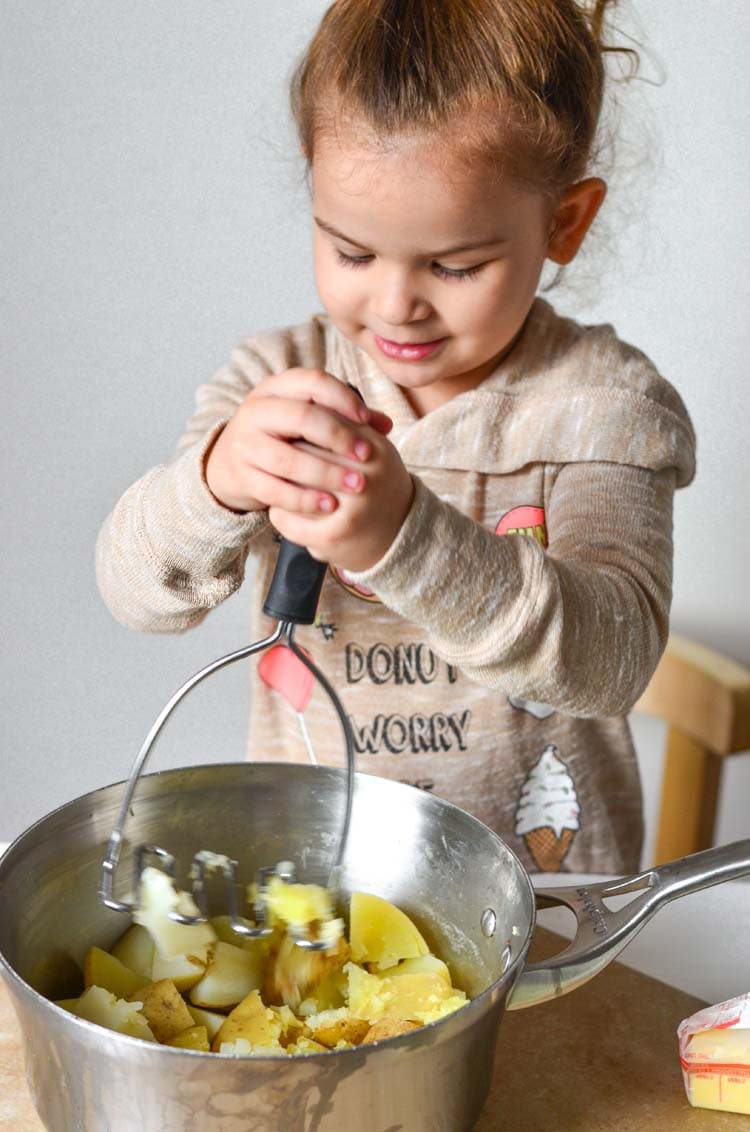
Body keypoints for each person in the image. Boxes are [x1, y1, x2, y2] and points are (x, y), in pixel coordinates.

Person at [96, 0, 696, 875]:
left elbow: (610, 661)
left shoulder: (603, 408)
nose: (393, 305)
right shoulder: (276, 377)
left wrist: (404, 538)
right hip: (318, 891)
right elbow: (136, 590)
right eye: (351, 252)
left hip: (546, 909)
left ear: (564, 222)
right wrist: (217, 481)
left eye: (455, 266)